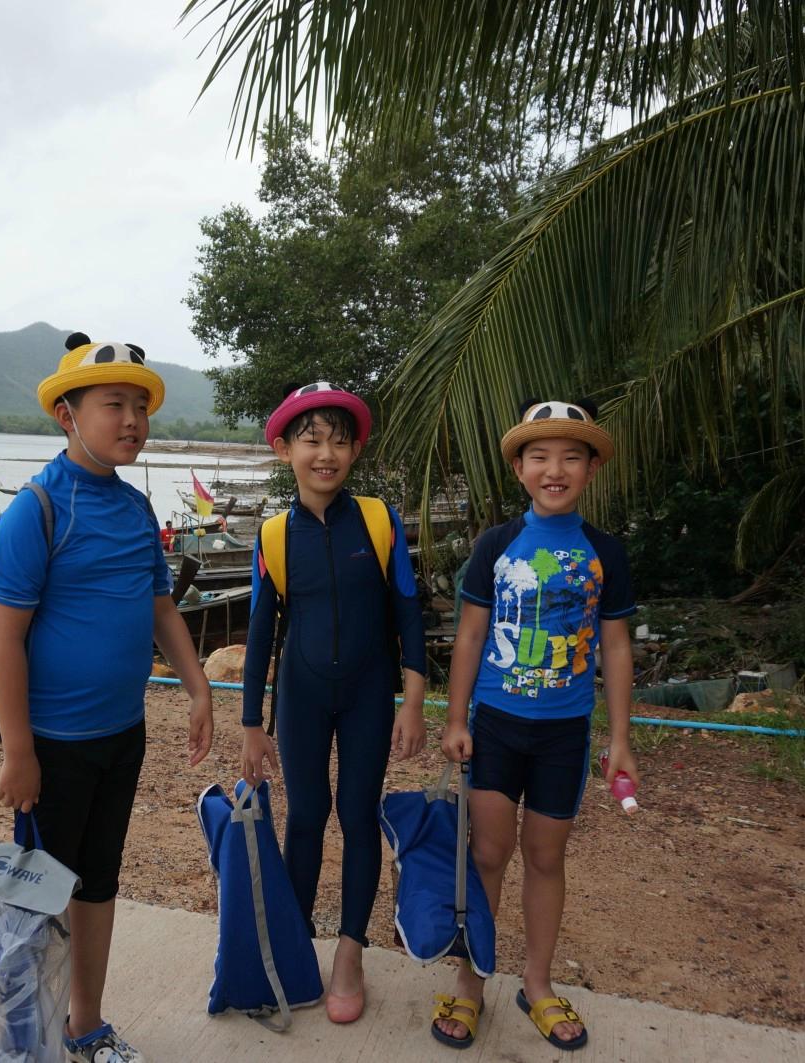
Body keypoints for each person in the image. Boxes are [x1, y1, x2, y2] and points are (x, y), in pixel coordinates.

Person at [0, 332, 214, 1063]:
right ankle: (24, 1037)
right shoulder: (38, 509)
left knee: (98, 884)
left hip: (122, 733)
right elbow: (3, 639)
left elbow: (159, 607)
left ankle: (85, 1024)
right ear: (66, 414)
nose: (132, 421)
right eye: (113, 404)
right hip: (52, 744)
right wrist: (19, 751)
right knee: (35, 895)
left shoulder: (132, 509)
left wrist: (198, 686)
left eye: (140, 407)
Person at [430, 398, 638, 1052]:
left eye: (571, 456)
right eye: (540, 456)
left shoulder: (605, 551)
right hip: (495, 726)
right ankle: (470, 983)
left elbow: (616, 648)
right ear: (518, 468)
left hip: (563, 733)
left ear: (591, 468)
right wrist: (455, 717)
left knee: (546, 857)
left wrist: (620, 737)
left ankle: (538, 983)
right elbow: (468, 639)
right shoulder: (496, 545)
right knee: (488, 853)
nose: (555, 468)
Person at [238, 381, 427, 1025]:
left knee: (357, 813)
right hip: (302, 694)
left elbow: (407, 606)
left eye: (339, 442)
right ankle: (294, 954)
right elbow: (262, 632)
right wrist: (250, 724)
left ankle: (350, 953)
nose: (326, 454)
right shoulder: (272, 535)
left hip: (371, 692)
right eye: (311, 440)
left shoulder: (378, 519)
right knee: (306, 817)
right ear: (285, 449)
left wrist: (414, 697)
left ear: (354, 452)